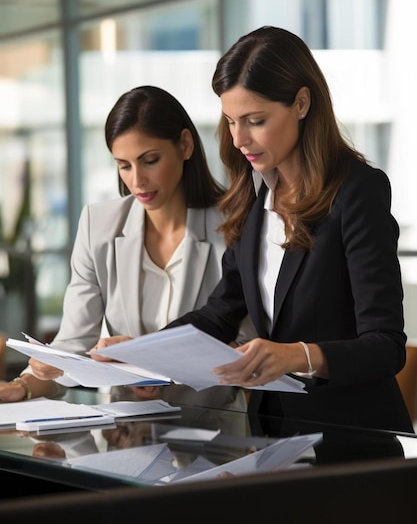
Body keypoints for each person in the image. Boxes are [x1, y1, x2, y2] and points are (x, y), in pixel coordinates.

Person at [93, 27, 413, 433]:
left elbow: (385, 347)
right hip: (273, 436)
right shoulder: (255, 198)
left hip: (351, 440)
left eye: (255, 121)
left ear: (301, 103)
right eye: (230, 122)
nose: (239, 138)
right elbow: (219, 314)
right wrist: (143, 352)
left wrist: (296, 355)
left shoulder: (357, 192)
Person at [0, 85, 252, 412]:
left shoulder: (234, 225)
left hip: (215, 430)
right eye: (124, 165)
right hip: (127, 431)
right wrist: (23, 386)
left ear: (185, 145)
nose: (137, 181)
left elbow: (246, 347)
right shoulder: (99, 225)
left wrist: (157, 363)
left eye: (150, 160)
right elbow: (74, 345)